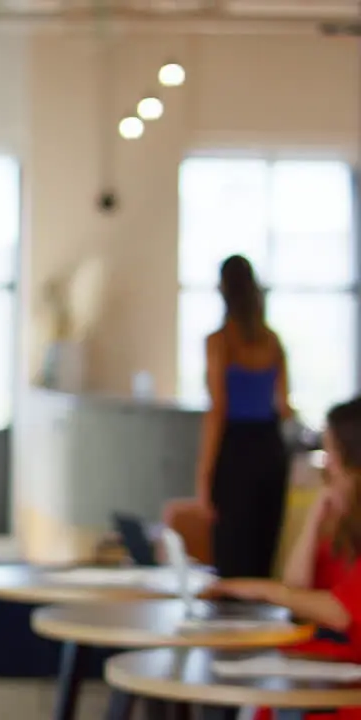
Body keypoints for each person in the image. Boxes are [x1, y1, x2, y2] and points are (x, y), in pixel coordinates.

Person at [209, 397, 361, 720]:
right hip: (327, 673)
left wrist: (262, 589)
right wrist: (314, 519)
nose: (326, 464)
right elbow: (297, 588)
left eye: (332, 453)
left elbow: (340, 614)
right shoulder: (344, 527)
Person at [195, 254, 292, 579]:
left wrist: (204, 478)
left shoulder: (219, 343)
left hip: (236, 451)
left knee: (232, 554)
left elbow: (217, 412)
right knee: (263, 553)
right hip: (271, 450)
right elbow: (284, 406)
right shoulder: (272, 341)